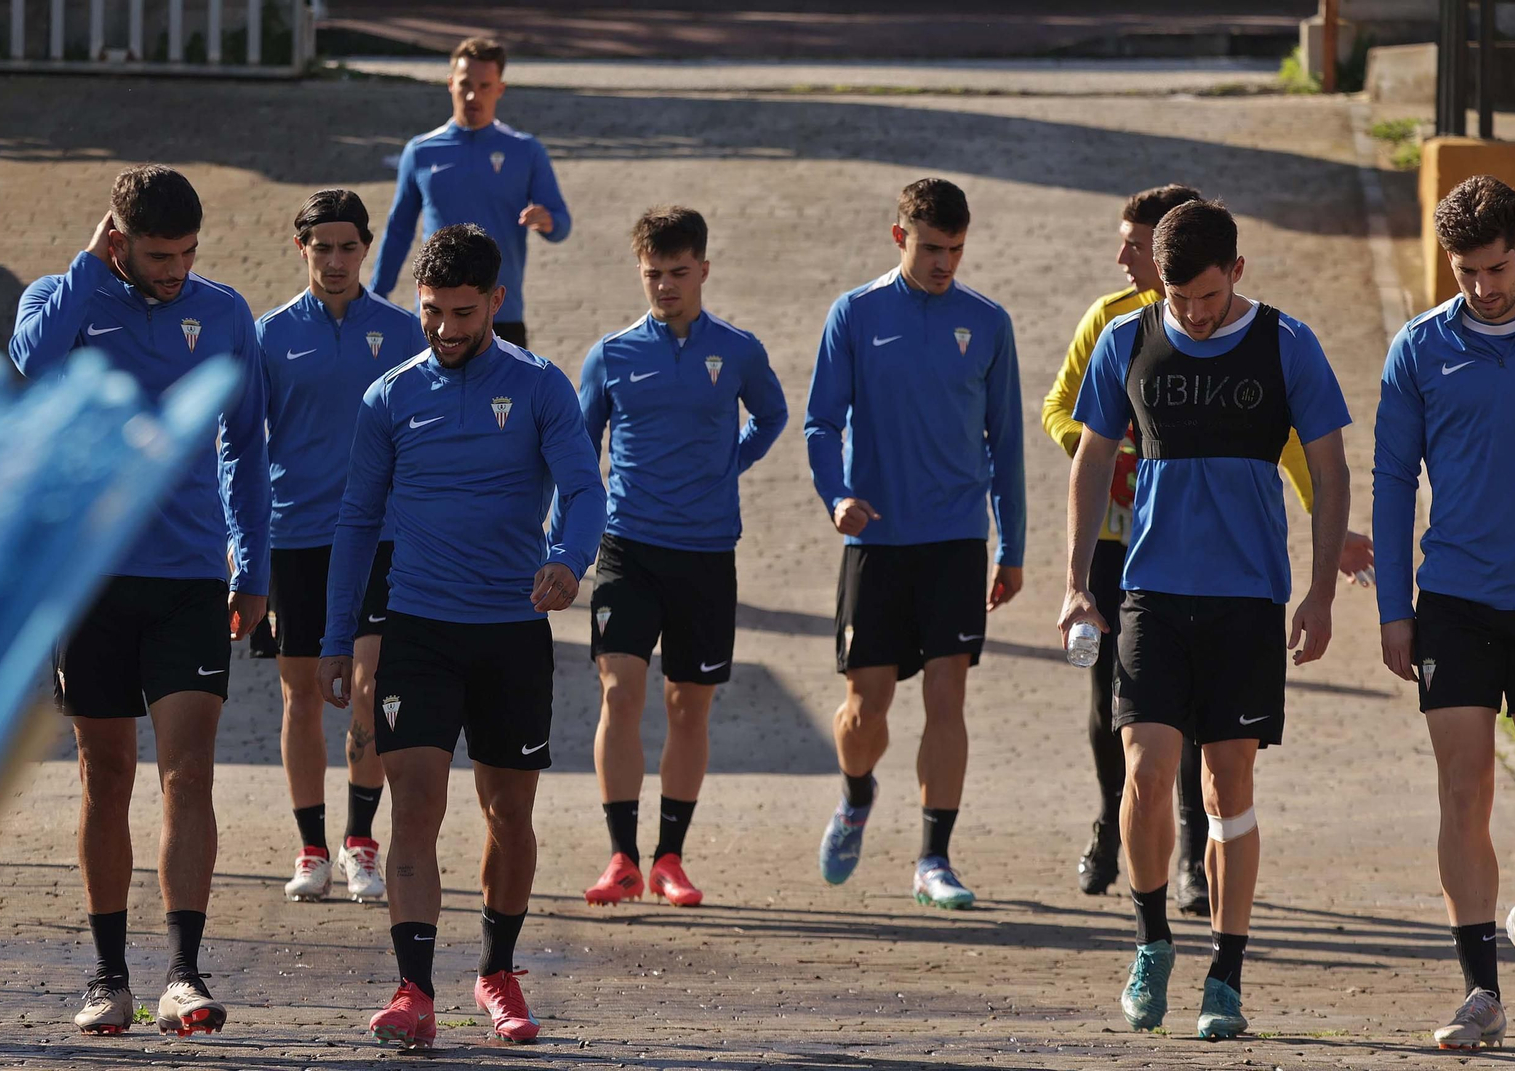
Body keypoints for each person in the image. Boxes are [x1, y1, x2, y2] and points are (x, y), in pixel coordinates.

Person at [1059, 198, 1351, 1039]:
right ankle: (1151, 942)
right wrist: (1076, 582)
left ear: (1239, 272)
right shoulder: (1128, 339)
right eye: (1179, 297)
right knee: (1147, 770)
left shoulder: (1286, 343)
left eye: (1209, 297)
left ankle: (1226, 968)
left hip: (1249, 599)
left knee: (1229, 786)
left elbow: (1331, 471)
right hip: (1150, 593)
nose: (1192, 312)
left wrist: (1321, 592)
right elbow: (1091, 458)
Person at [318, 224, 605, 1050]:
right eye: (433, 312)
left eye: (463, 312)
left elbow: (585, 489)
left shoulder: (543, 385)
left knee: (509, 812)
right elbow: (356, 520)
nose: (446, 328)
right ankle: (412, 989)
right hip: (418, 629)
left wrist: (567, 559)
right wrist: (339, 637)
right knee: (417, 807)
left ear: (497, 303)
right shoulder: (391, 396)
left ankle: (497, 969)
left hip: (513, 631)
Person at [9, 165, 270, 1038]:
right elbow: (28, 366)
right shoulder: (64, 296)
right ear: (115, 238)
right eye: (159, 254)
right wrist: (90, 270)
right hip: (91, 578)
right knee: (105, 772)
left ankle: (185, 974)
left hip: (192, 576)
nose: (177, 269)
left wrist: (254, 561)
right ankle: (107, 975)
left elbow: (244, 445)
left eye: (189, 252)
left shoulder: (225, 312)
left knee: (188, 769)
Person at [805, 177, 1026, 910]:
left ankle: (934, 856)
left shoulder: (988, 323)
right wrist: (836, 497)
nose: (944, 263)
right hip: (878, 538)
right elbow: (819, 423)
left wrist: (1012, 545)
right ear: (900, 237)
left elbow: (1008, 442)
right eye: (932, 248)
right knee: (865, 710)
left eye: (956, 250)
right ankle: (857, 795)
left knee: (947, 696)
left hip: (956, 538)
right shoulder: (856, 314)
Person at [574, 206, 788, 908]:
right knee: (619, 692)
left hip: (704, 553)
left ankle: (669, 856)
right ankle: (620, 856)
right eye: (652, 273)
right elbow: (578, 447)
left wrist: (733, 462)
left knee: (688, 708)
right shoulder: (611, 354)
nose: (664, 285)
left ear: (703, 268)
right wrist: (566, 533)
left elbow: (774, 414)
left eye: (677, 272)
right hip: (627, 546)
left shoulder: (738, 349)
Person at [1374, 174, 1515, 1050]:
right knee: (1464, 789)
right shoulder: (1419, 348)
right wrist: (1396, 609)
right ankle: (1481, 992)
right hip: (1457, 602)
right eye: (1465, 272)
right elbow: (1394, 480)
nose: (1482, 287)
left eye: (1496, 267)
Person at [257, 189, 427, 905]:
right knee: (300, 695)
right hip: (295, 535)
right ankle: (311, 847)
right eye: (320, 247)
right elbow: (239, 443)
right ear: (302, 249)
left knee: (369, 690)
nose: (334, 260)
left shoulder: (402, 329)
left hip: (380, 537)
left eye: (347, 247)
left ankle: (361, 842)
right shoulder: (267, 334)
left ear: (365, 249)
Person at [368, 36, 570, 349]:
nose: (473, 95)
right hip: (437, 313)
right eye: (465, 84)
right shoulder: (421, 151)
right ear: (450, 84)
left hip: (502, 313)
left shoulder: (526, 150)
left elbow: (562, 224)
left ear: (500, 89)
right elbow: (398, 231)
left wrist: (548, 222)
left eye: (485, 86)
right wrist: (375, 297)